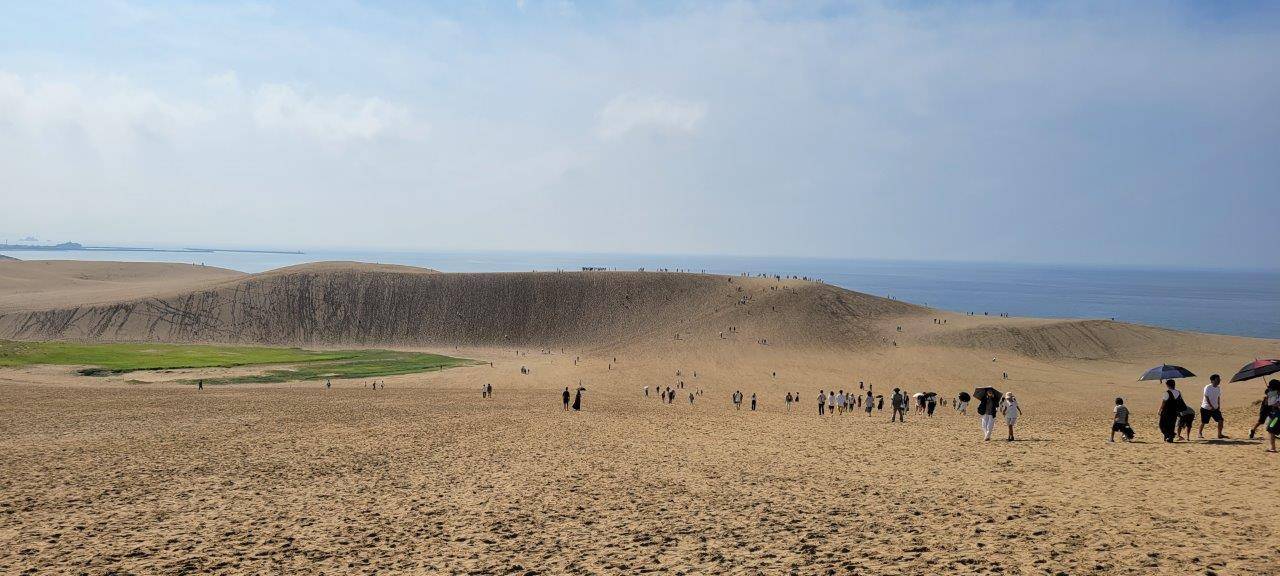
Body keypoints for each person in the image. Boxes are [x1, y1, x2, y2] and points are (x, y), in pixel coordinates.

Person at [1198, 374, 1227, 439]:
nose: (1219, 381)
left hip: (1215, 408)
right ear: (1212, 380)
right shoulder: (1207, 387)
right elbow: (1206, 397)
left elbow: (1218, 397)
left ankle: (1219, 434)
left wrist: (1218, 405)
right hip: (1206, 408)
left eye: (1219, 379)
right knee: (1204, 422)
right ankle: (1199, 433)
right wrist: (1211, 406)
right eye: (1217, 379)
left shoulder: (1218, 388)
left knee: (1221, 420)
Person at [1263, 379, 1280, 453]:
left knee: (1271, 429)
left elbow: (1277, 405)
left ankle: (1272, 448)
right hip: (1276, 415)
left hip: (1277, 415)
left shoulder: (1277, 394)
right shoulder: (1275, 394)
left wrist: (1273, 403)